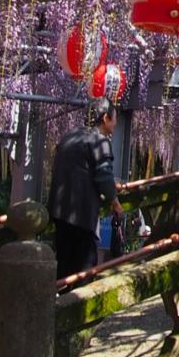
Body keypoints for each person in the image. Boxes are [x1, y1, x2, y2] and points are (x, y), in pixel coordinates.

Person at [47, 99, 119, 279]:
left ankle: (60, 303)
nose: (116, 123)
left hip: (59, 212)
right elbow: (104, 177)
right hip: (81, 214)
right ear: (105, 118)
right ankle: (75, 305)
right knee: (84, 268)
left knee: (64, 265)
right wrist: (115, 202)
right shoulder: (99, 142)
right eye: (114, 119)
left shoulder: (70, 136)